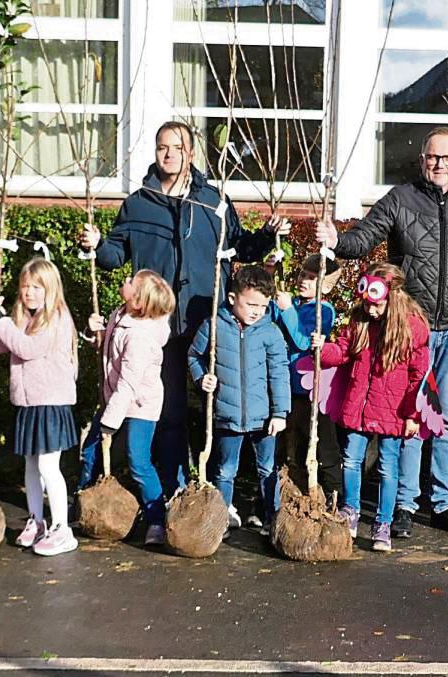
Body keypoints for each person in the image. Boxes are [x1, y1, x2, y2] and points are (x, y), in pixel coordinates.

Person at [79, 121, 290, 499]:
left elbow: (240, 247)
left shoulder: (212, 201)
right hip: (158, 326)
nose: (169, 153)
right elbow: (115, 255)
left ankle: (218, 491)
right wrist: (96, 245)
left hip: (207, 320)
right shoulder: (139, 203)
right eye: (162, 147)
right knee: (170, 411)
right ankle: (174, 490)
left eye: (177, 147)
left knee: (220, 408)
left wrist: (267, 235)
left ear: (190, 153)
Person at [315, 126, 448, 539]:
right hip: (408, 330)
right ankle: (403, 503)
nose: (440, 165)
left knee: (447, 420)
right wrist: (337, 241)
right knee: (408, 418)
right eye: (433, 157)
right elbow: (365, 237)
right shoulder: (400, 199)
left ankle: (444, 503)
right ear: (422, 160)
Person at [313, 263, 430, 552]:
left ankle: (384, 523)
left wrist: (413, 414)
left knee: (388, 468)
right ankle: (350, 511)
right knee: (351, 459)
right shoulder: (359, 321)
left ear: (393, 298)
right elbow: (342, 351)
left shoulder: (411, 329)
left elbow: (419, 376)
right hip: (358, 407)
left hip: (393, 411)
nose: (371, 311)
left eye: (376, 305)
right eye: (367, 304)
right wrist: (321, 348)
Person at [0, 257, 79, 557]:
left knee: (49, 466)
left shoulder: (56, 318)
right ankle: (37, 520)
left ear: (50, 289)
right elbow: (1, 345)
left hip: (50, 403)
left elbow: (27, 348)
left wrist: (0, 322)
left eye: (37, 287)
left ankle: (62, 528)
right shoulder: (25, 318)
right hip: (28, 403)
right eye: (25, 286)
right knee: (31, 464)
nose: (29, 292)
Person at [188, 265, 290, 537]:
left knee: (267, 468)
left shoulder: (270, 331)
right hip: (227, 413)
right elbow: (194, 356)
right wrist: (202, 378)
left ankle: (273, 518)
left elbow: (280, 372)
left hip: (264, 417)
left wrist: (280, 412)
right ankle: (222, 516)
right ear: (233, 299)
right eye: (251, 304)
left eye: (263, 305)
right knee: (225, 469)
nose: (257, 311)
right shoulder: (213, 325)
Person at [88, 270, 175, 546]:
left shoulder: (140, 337)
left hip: (139, 404)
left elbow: (129, 382)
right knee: (89, 451)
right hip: (116, 397)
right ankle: (84, 503)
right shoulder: (120, 314)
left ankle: (156, 519)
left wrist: (109, 421)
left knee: (138, 461)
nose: (124, 281)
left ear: (138, 302)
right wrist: (97, 334)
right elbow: (110, 350)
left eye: (130, 283)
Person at [271, 254, 342, 504]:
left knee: (321, 443)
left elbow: (303, 342)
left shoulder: (323, 310)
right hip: (285, 385)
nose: (304, 281)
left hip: (310, 389)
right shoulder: (296, 303)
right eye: (302, 275)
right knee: (289, 444)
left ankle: (333, 494)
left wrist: (288, 309)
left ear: (326, 286)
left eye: (312, 279)